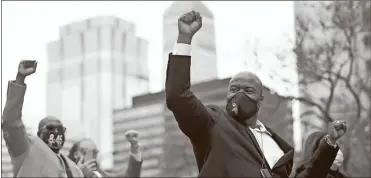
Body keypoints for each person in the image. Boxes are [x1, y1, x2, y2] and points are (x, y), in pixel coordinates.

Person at [165, 11, 343, 178]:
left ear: (260, 100)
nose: (239, 95)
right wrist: (184, 38)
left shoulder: (280, 148)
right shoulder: (213, 124)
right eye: (234, 89)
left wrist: (330, 143)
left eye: (249, 90)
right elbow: (178, 97)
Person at [2, 60, 83, 177]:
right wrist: (20, 79)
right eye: (50, 128)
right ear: (39, 134)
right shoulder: (27, 148)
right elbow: (11, 123)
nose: (56, 132)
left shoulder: (74, 170)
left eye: (60, 129)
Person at [68, 129, 143, 177]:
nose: (91, 157)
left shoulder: (100, 174)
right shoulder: (65, 172)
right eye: (84, 152)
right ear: (75, 154)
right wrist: (79, 174)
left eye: (94, 153)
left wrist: (134, 146)